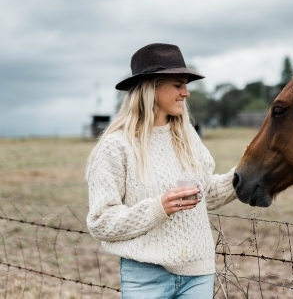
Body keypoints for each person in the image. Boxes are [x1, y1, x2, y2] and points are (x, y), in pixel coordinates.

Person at [86, 43, 238, 298]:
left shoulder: (188, 136)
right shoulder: (116, 146)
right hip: (145, 277)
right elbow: (101, 222)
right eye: (178, 85)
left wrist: (247, 173)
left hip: (198, 274)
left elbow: (207, 194)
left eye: (186, 85)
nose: (186, 93)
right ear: (150, 88)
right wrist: (159, 208)